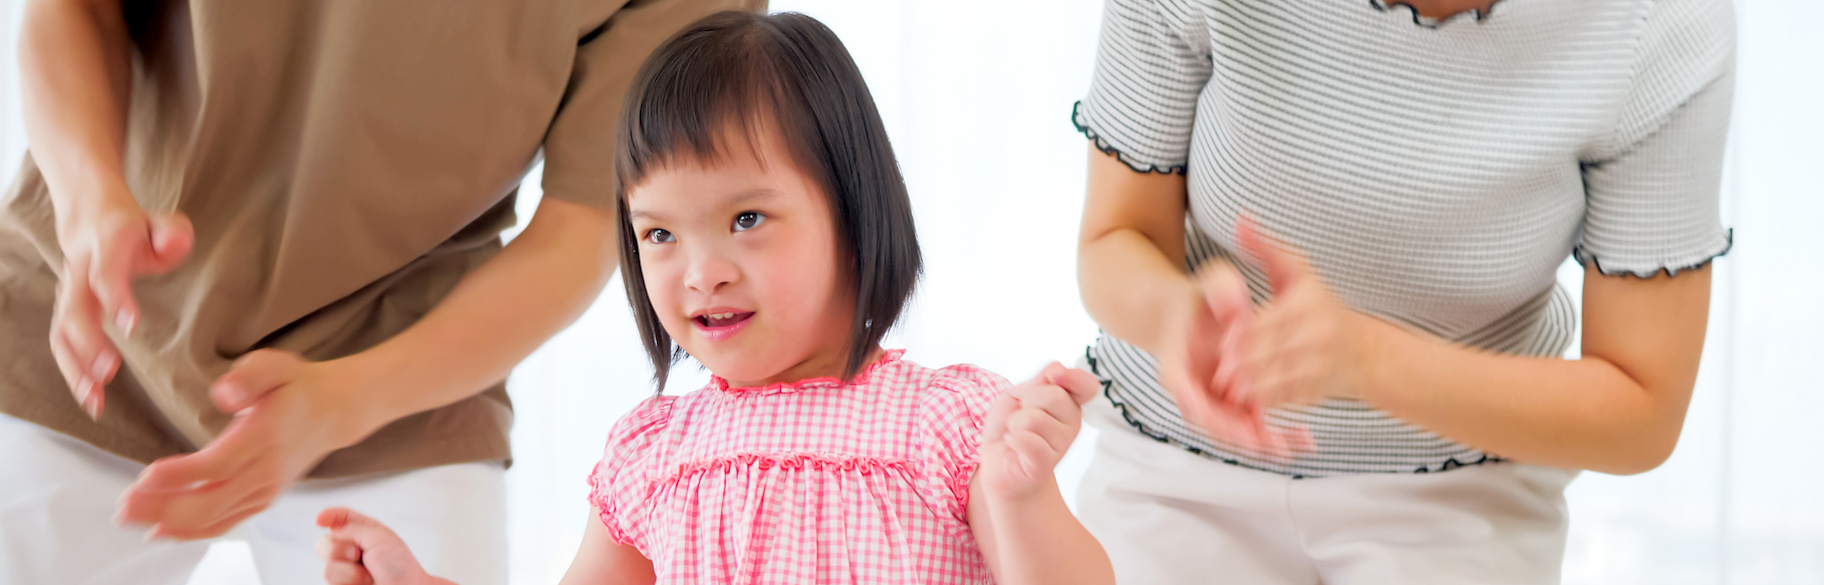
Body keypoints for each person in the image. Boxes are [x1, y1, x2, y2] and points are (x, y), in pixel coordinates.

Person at [315, 11, 1115, 585]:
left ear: (854, 210)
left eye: (746, 218)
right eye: (659, 234)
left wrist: (1023, 493)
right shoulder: (654, 456)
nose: (701, 272)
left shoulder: (952, 426)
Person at [0, 0, 757, 583]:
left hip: (404, 374)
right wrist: (88, 204)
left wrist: (343, 401)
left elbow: (586, 223)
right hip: (84, 333)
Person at [1069, 0, 1734, 582]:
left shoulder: (1656, 22)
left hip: (1459, 492)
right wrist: (1179, 318)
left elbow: (1641, 408)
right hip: (1173, 468)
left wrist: (1367, 358)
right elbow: (1114, 237)